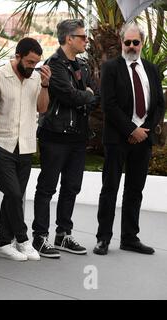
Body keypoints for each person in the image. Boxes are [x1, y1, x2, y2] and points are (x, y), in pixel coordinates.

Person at [93, 22, 165, 255]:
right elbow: (109, 105)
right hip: (117, 139)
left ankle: (130, 238)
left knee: (135, 190)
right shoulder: (111, 68)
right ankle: (103, 238)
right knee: (110, 188)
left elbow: (160, 105)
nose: (132, 46)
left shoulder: (151, 69)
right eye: (128, 42)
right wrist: (130, 130)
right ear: (121, 43)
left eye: (136, 42)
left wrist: (144, 129)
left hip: (143, 139)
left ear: (142, 43)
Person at [32, 19, 100, 258]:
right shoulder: (54, 64)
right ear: (69, 38)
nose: (86, 41)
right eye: (82, 37)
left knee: (72, 187)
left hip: (78, 136)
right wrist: (87, 95)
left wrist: (87, 95)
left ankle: (63, 234)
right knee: (47, 187)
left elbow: (94, 94)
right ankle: (40, 237)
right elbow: (71, 96)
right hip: (55, 135)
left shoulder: (81, 64)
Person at [0, 38, 51, 262]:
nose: (32, 66)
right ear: (17, 57)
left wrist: (45, 85)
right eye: (29, 62)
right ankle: (23, 239)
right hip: (1, 143)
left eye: (36, 63)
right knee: (15, 193)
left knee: (13, 196)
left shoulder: (36, 78)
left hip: (26, 144)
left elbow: (43, 108)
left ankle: (3, 243)